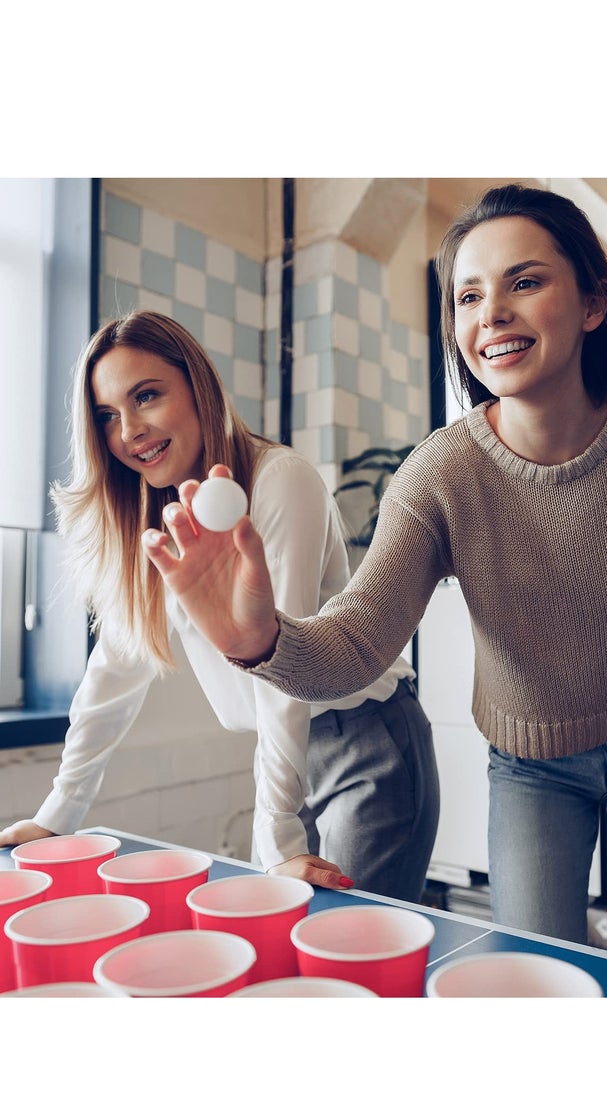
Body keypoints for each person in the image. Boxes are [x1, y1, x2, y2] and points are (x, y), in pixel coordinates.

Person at [140, 185, 607, 976]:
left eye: (524, 282)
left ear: (593, 303)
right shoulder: (439, 476)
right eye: (469, 295)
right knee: (531, 981)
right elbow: (356, 641)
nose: (492, 313)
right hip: (533, 767)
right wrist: (260, 639)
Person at [0, 311, 440, 903]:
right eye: (107, 416)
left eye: (147, 396)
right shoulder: (155, 518)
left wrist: (277, 837)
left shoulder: (280, 480)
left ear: (197, 386)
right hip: (286, 751)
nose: (129, 430)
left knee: (350, 952)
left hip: (364, 740)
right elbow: (115, 671)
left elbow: (284, 677)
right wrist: (60, 811)